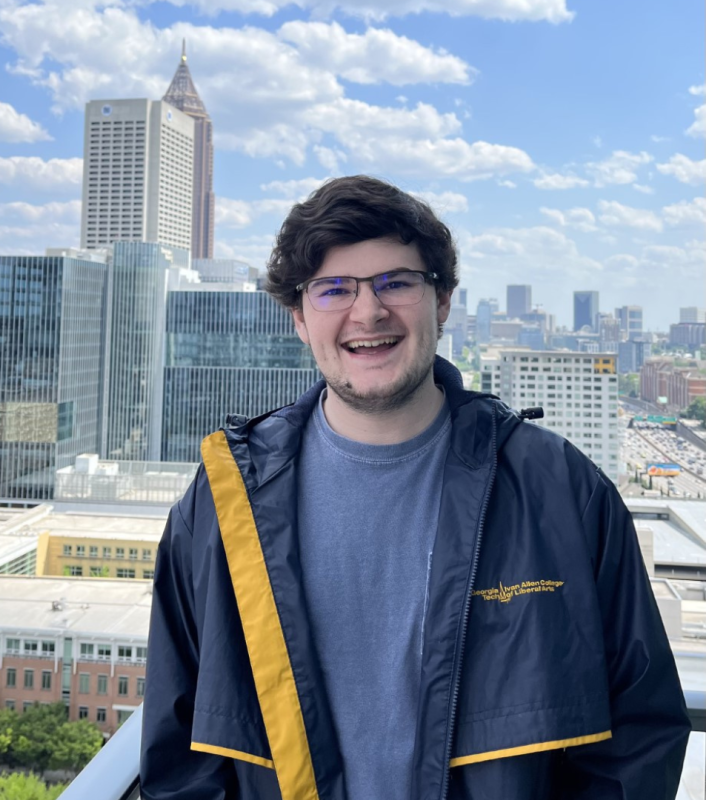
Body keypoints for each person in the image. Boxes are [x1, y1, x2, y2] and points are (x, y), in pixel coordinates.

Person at [140, 176, 690, 800]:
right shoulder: (223, 503)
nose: (367, 312)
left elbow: (638, 738)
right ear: (299, 317)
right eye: (334, 289)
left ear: (444, 301)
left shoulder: (560, 491)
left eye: (396, 282)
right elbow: (178, 751)